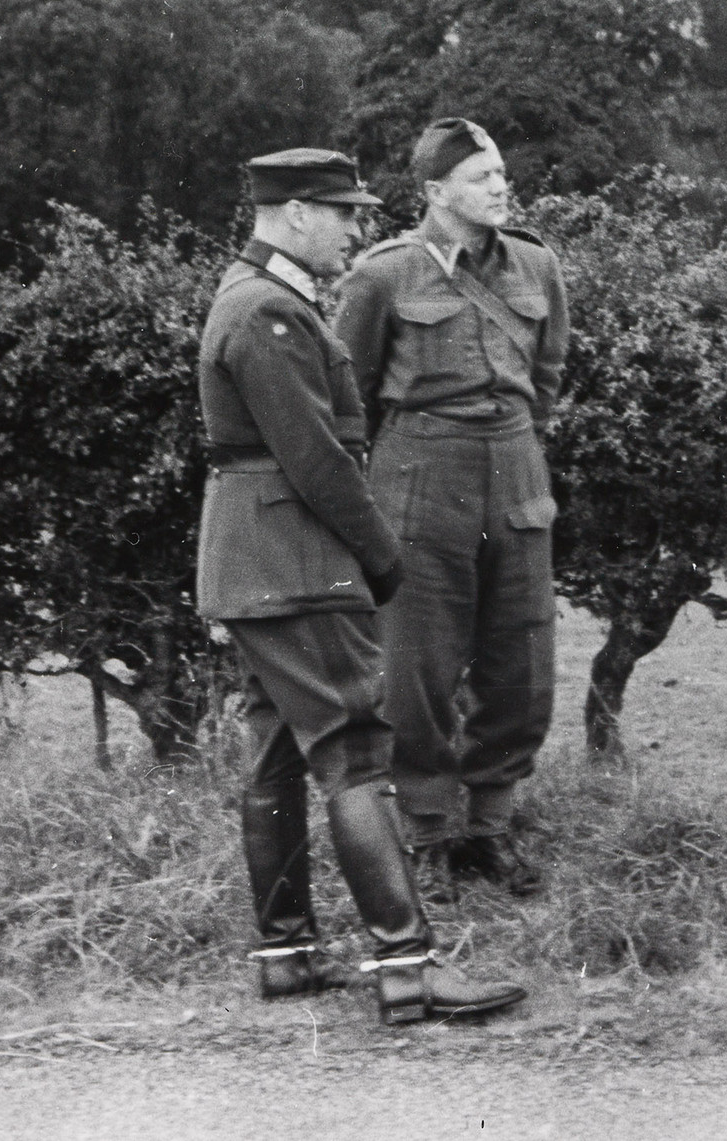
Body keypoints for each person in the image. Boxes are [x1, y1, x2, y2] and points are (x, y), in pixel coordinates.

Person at [197, 147, 525, 1024]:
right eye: (341, 212)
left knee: (275, 749)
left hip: (259, 562)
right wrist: (384, 556)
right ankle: (407, 965)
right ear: (296, 213)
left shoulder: (259, 298)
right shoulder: (267, 311)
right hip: (294, 563)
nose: (355, 227)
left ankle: (288, 954)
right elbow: (315, 457)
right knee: (354, 751)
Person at [334, 119, 568, 899]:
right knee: (417, 666)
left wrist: (512, 452)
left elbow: (549, 376)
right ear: (435, 193)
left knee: (522, 660)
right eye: (480, 177)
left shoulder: (536, 263)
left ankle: (492, 826)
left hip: (514, 468)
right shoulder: (383, 276)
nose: (500, 186)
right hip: (419, 473)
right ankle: (428, 831)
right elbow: (349, 396)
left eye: (502, 172)